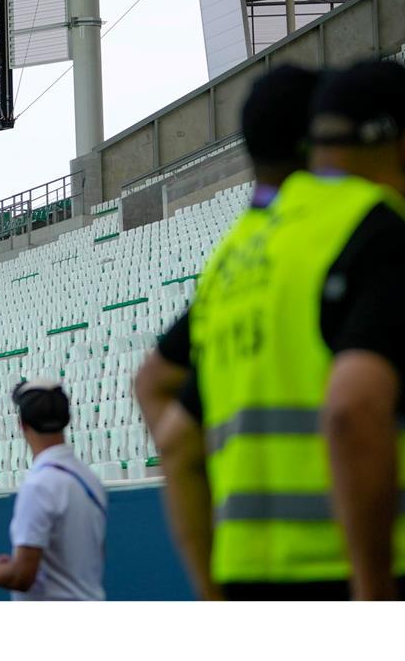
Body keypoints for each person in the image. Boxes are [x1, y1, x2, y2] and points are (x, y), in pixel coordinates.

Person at [173, 60, 405, 599]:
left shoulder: (239, 258)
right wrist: (373, 595)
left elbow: (178, 439)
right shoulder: (382, 235)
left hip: (253, 582)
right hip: (401, 573)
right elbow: (352, 408)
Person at [133, 64, 321, 599]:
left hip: (244, 560)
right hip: (334, 563)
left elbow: (153, 390)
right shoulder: (342, 239)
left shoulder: (230, 261)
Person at [0, 381, 106, 600]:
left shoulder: (39, 485)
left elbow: (21, 577)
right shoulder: (89, 478)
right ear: (66, 419)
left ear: (22, 424)